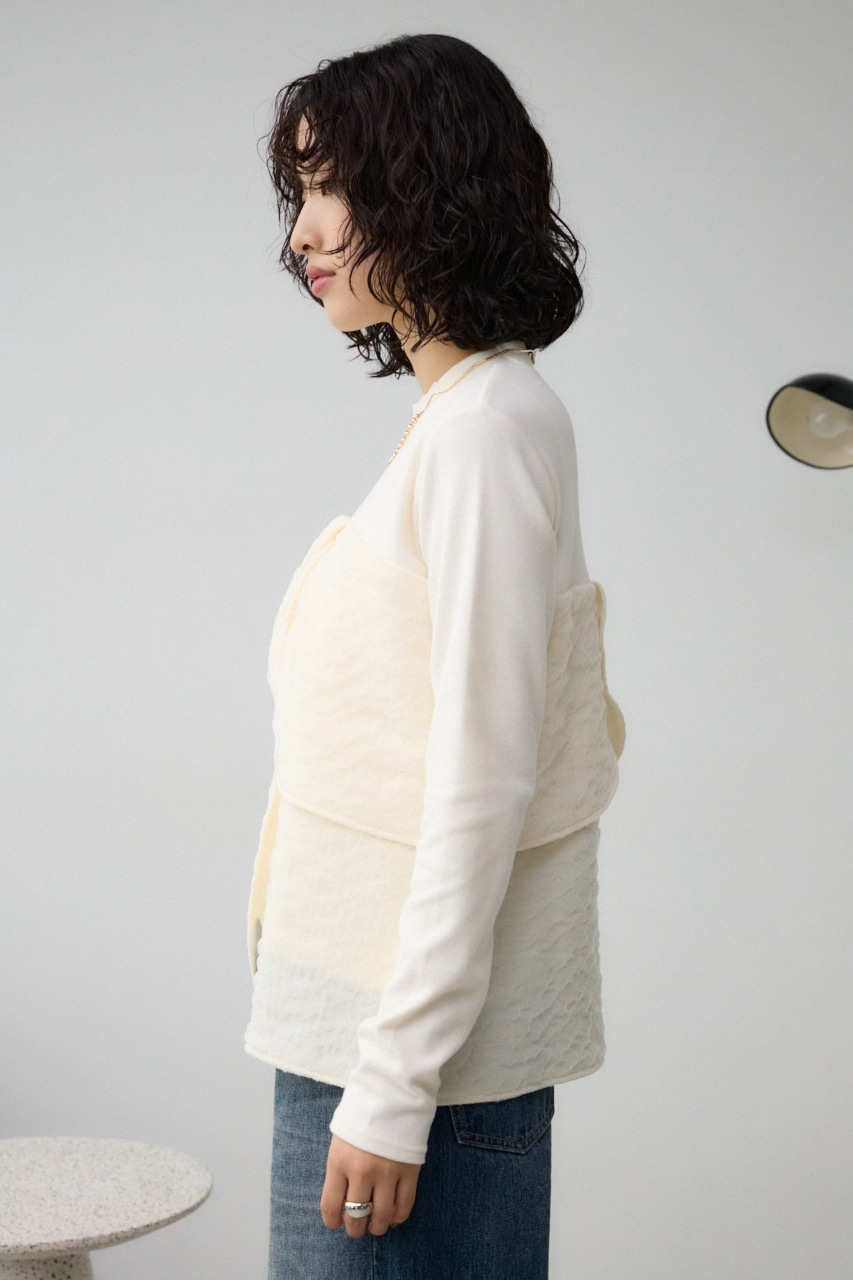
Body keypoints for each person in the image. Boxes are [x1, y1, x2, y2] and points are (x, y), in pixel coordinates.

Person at [244, 32, 625, 1280]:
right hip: (379, 1049)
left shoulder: (485, 432)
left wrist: (394, 1082)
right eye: (297, 191)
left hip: (411, 1070)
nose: (301, 232)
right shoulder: (465, 420)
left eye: (330, 186)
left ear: (426, 188)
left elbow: (482, 778)